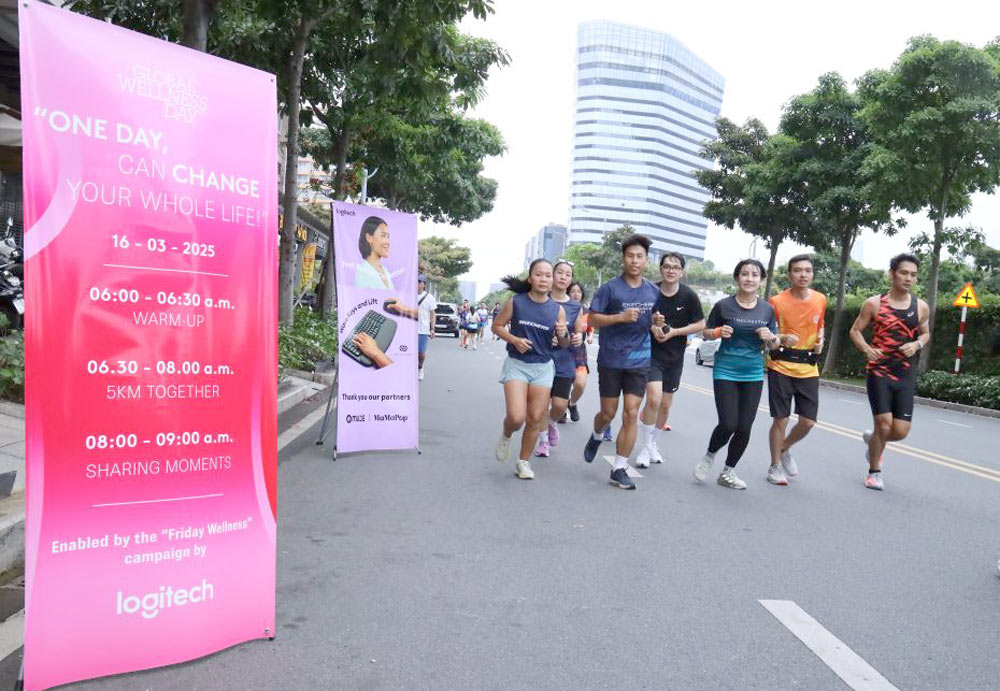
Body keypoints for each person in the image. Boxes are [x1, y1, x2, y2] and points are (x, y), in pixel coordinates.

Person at [693, 259, 780, 490]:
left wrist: (771, 338)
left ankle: (728, 472)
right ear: (737, 278)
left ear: (761, 280)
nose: (749, 278)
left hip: (753, 372)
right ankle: (709, 456)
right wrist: (718, 332)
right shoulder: (723, 306)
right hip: (726, 370)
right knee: (729, 423)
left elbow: (774, 343)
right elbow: (705, 333)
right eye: (744, 274)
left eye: (755, 274)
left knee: (744, 427)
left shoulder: (767, 309)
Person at [582, 234, 661, 490]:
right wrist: (620, 317)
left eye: (639, 256)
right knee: (608, 413)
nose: (634, 261)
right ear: (623, 259)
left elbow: (654, 321)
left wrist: (657, 323)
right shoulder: (610, 289)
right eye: (630, 256)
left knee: (631, 413)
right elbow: (592, 319)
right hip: (611, 359)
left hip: (639, 361)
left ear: (646, 260)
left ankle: (619, 467)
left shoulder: (653, 291)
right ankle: (597, 434)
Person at [849, 253, 930, 491]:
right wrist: (867, 349)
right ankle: (874, 472)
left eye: (913, 275)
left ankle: (873, 440)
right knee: (883, 424)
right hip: (879, 371)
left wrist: (917, 344)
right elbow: (855, 331)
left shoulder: (921, 307)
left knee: (901, 432)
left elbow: (925, 333)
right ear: (892, 274)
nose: (909, 278)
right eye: (904, 273)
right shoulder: (874, 304)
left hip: (905, 373)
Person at [492, 260, 569, 479]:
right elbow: (496, 326)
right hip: (517, 365)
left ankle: (523, 462)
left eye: (548, 275)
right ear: (530, 278)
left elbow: (564, 344)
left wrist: (562, 333)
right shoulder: (516, 302)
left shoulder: (558, 310)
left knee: (535, 418)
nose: (544, 279)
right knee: (517, 417)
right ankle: (507, 434)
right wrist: (515, 340)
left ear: (552, 280)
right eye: (539, 275)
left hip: (543, 367)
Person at [634, 252, 705, 468]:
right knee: (653, 399)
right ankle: (645, 448)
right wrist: (652, 326)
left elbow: (701, 324)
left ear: (682, 272)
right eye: (667, 266)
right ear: (660, 269)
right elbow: (638, 317)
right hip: (651, 354)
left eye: (675, 267)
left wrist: (675, 332)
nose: (671, 270)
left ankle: (653, 443)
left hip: (675, 357)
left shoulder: (689, 296)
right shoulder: (649, 291)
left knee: (664, 406)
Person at [765, 255, 827, 485]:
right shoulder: (776, 302)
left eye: (808, 270)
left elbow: (820, 325)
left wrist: (821, 341)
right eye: (798, 270)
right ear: (789, 275)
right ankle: (774, 466)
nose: (803, 275)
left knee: (808, 421)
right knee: (780, 419)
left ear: (812, 274)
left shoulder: (820, 299)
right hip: (781, 365)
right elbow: (768, 337)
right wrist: (781, 338)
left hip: (808, 367)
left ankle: (784, 448)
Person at [534, 262, 585, 457]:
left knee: (559, 406)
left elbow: (578, 332)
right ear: (552, 275)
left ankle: (552, 422)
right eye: (560, 273)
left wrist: (578, 337)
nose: (563, 277)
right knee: (541, 404)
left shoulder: (576, 307)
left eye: (568, 274)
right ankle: (543, 441)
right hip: (541, 359)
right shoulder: (540, 299)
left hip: (565, 360)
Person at [567, 282, 593, 422]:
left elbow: (590, 327)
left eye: (578, 291)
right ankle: (560, 410)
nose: (575, 294)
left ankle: (571, 404)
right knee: (561, 384)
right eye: (572, 291)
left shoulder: (586, 311)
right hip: (562, 350)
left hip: (579, 351)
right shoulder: (561, 308)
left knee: (580, 384)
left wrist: (590, 336)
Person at [355, 216, 394, 290]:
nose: (387, 242)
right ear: (369, 238)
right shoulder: (362, 272)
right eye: (383, 236)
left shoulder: (385, 271)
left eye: (388, 237)